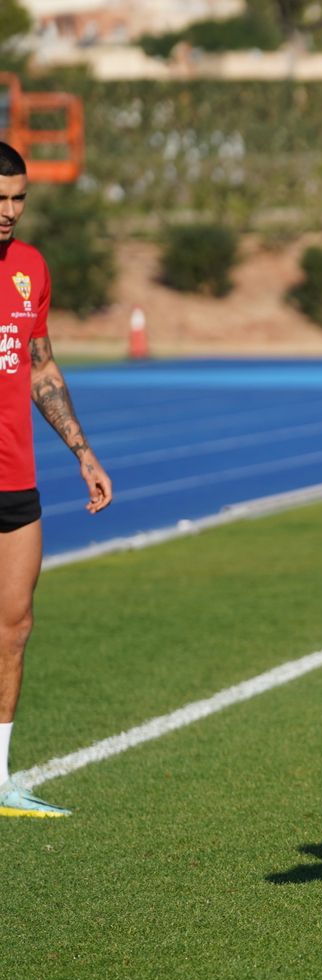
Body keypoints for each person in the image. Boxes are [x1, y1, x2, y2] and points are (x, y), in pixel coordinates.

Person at [0, 142, 113, 819]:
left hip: (16, 480)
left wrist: (83, 453)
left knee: (13, 627)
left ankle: (0, 780)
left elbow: (41, 367)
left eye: (17, 200)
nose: (9, 213)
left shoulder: (30, 269)